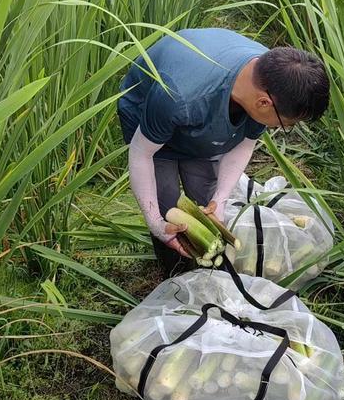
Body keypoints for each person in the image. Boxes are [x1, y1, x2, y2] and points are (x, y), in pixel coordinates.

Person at [117, 27, 329, 277]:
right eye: (286, 124)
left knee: (208, 199)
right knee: (167, 208)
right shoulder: (179, 95)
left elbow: (245, 143)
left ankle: (210, 271)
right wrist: (155, 222)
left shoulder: (272, 79)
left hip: (199, 109)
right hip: (152, 116)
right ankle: (175, 276)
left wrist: (221, 199)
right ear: (263, 103)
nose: (281, 129)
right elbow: (142, 155)